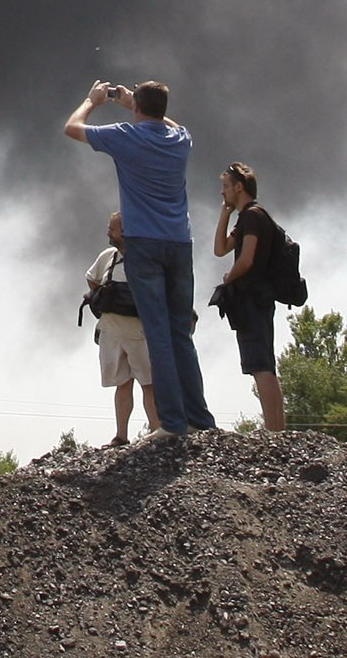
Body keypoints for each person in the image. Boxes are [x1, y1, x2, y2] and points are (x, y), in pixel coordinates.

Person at [64, 80, 216, 434]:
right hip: (180, 242)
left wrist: (93, 100)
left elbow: (72, 129)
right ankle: (200, 419)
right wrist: (137, 104)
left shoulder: (126, 136)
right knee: (181, 333)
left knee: (158, 333)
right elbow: (174, 125)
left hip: (145, 244)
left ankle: (173, 423)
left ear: (136, 109)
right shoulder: (180, 139)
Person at [210, 164, 287, 432]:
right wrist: (225, 214)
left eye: (226, 186)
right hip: (258, 298)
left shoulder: (253, 216)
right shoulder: (246, 217)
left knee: (260, 366)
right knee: (265, 364)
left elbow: (246, 260)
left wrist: (228, 278)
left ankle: (273, 430)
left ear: (238, 187)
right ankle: (277, 428)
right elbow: (220, 249)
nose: (223, 192)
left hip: (253, 298)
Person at [83, 212, 154, 443]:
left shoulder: (144, 258)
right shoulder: (108, 257)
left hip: (139, 332)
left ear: (125, 231)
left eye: (112, 228)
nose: (108, 233)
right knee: (123, 383)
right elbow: (92, 279)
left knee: (148, 383)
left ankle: (157, 432)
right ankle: (121, 435)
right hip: (112, 332)